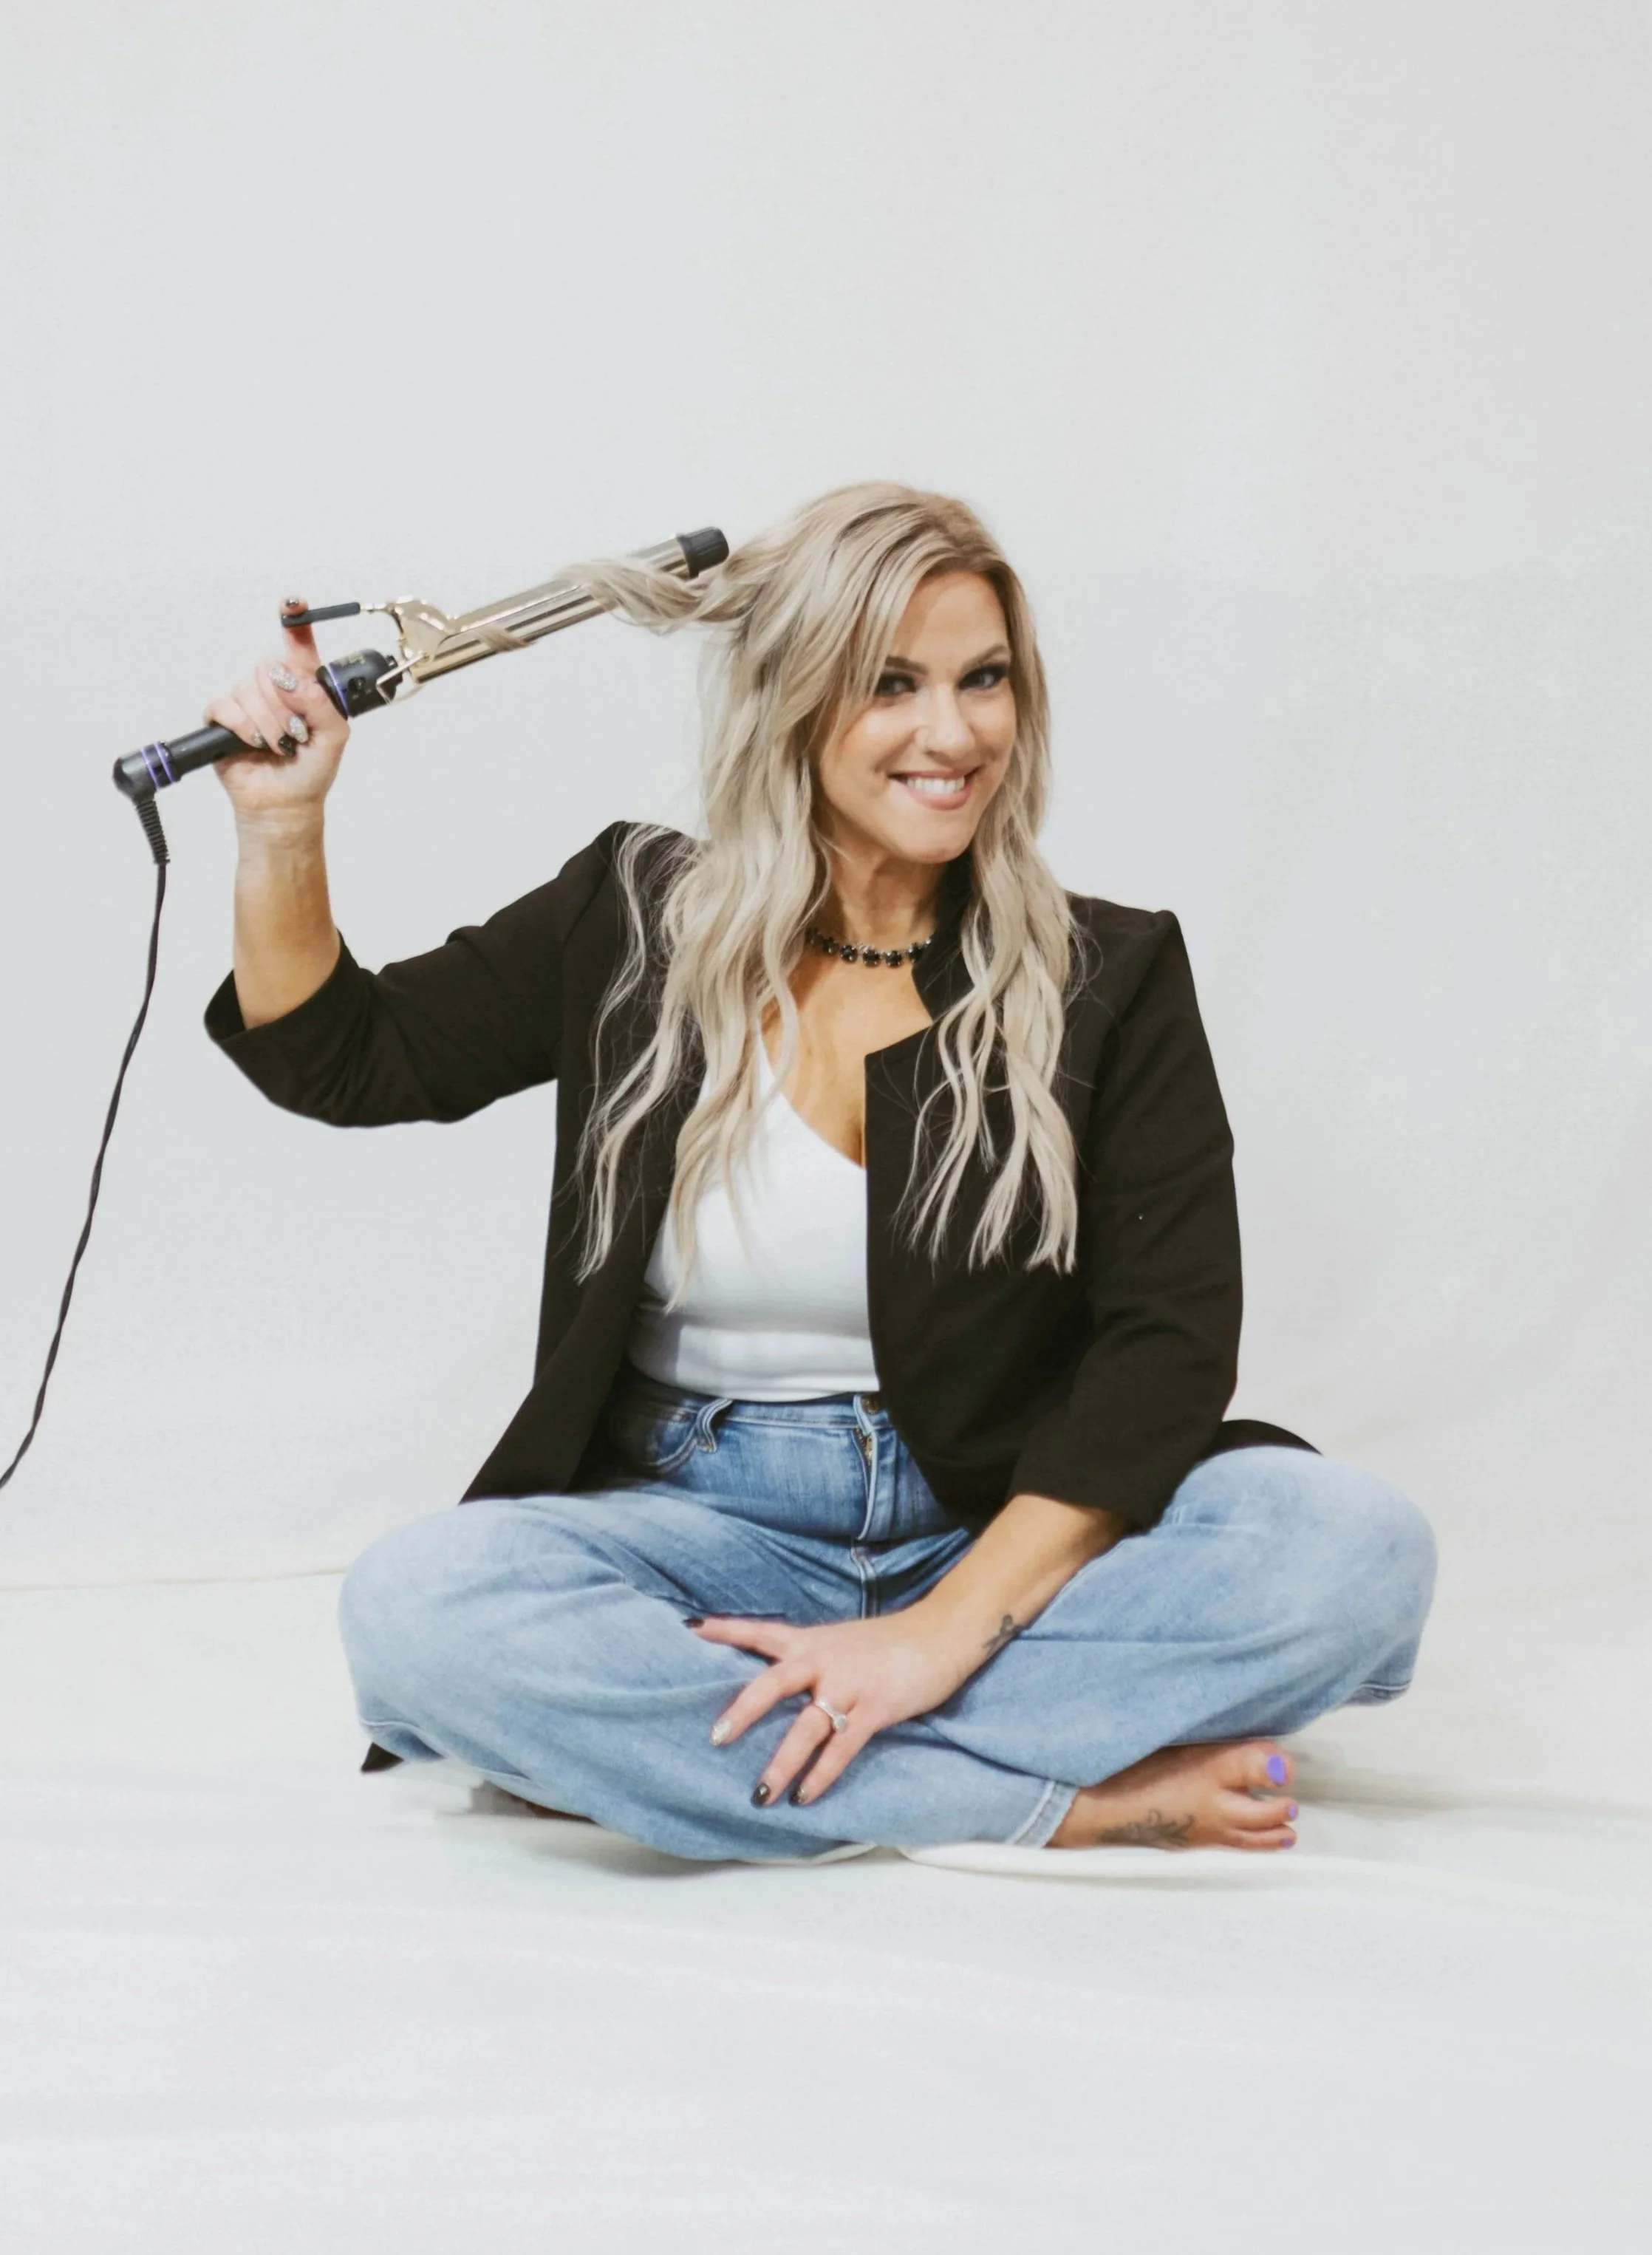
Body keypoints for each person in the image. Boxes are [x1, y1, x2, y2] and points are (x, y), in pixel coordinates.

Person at [202, 482, 1436, 1863]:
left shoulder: (1112, 971)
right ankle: (1069, 1801)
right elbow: (344, 1058)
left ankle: (686, 1759)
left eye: (985, 682)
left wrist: (930, 1636)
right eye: (890, 685)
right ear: (793, 700)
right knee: (418, 1610)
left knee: (1354, 1549)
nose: (953, 734)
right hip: (700, 1527)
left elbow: (1168, 1346)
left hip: (996, 1522)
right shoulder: (634, 917)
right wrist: (280, 826)